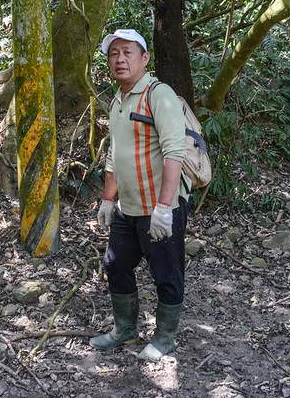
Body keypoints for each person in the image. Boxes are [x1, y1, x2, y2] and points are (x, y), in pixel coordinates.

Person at [91, 28, 191, 361]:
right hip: (128, 206)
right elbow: (114, 154)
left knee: (166, 273)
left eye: (127, 53)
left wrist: (164, 208)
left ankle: (164, 338)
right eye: (113, 54)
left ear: (145, 58)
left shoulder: (158, 94)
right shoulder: (118, 99)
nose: (119, 59)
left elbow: (174, 152)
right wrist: (108, 199)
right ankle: (126, 330)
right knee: (115, 264)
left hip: (159, 206)